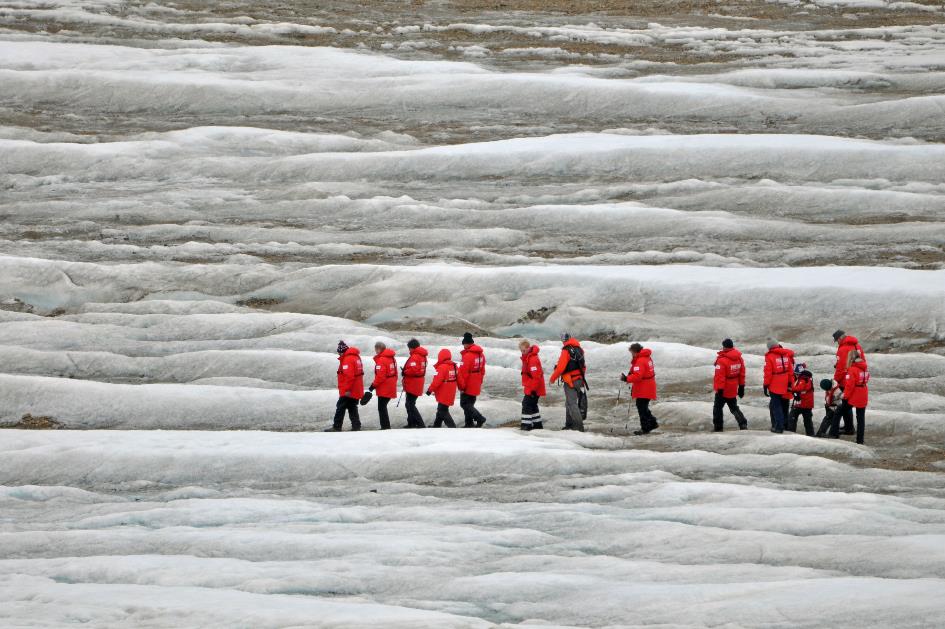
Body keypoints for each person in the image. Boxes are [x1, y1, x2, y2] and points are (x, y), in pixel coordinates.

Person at [549, 333, 587, 432]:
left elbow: (560, 368)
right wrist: (580, 378)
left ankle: (579, 427)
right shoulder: (579, 349)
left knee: (572, 403)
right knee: (569, 402)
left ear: (563, 340)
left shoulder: (566, 351)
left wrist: (552, 379)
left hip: (570, 380)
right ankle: (569, 424)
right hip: (579, 379)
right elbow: (583, 366)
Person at [326, 340, 364, 432]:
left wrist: (347, 389)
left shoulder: (347, 359)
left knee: (340, 406)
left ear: (341, 351)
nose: (339, 355)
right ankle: (356, 426)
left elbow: (349, 376)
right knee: (352, 406)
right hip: (356, 388)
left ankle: (337, 426)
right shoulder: (356, 357)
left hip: (349, 389)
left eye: (339, 353)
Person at [622, 343, 658, 436]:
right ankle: (652, 423)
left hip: (644, 388)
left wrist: (626, 378)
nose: (631, 354)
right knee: (643, 406)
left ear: (635, 351)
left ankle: (646, 428)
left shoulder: (640, 360)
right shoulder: (646, 357)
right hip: (648, 386)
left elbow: (638, 376)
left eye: (632, 352)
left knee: (641, 407)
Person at [834, 349, 869, 444]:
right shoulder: (864, 367)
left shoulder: (852, 369)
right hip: (863, 393)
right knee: (861, 419)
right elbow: (867, 378)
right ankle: (860, 441)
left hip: (855, 395)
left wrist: (844, 396)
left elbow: (849, 386)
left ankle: (833, 433)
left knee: (838, 411)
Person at [832, 330, 864, 435]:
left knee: (844, 404)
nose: (837, 342)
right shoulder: (857, 346)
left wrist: (835, 381)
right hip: (858, 379)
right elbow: (862, 361)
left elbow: (841, 368)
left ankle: (845, 429)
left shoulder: (843, 349)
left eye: (837, 340)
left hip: (846, 380)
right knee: (848, 405)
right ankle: (849, 427)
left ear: (840, 338)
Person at [712, 338, 748, 432]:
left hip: (723, 389)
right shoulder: (739, 358)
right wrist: (741, 387)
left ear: (724, 347)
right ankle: (743, 423)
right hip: (733, 388)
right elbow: (742, 373)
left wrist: (720, 389)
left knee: (717, 408)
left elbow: (720, 376)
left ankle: (718, 427)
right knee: (734, 407)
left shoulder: (722, 360)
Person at [456, 333, 488, 428]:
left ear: (466, 344)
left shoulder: (467, 356)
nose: (463, 346)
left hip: (469, 382)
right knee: (470, 404)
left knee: (464, 404)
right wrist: (480, 381)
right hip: (476, 381)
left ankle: (479, 418)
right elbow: (483, 370)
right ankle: (469, 424)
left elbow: (463, 373)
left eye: (464, 344)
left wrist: (461, 386)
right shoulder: (481, 355)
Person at [763, 338, 794, 434]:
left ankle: (779, 427)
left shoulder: (770, 356)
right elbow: (790, 370)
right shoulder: (786, 354)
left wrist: (765, 385)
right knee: (784, 405)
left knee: (776, 406)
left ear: (769, 347)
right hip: (785, 382)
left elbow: (768, 372)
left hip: (775, 384)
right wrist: (789, 382)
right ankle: (784, 425)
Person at [366, 342, 397, 430]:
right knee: (383, 406)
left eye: (376, 349)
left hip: (384, 387)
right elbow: (395, 373)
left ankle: (385, 427)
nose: (375, 351)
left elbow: (380, 376)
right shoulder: (392, 358)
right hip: (390, 385)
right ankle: (386, 426)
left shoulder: (382, 360)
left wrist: (372, 386)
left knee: (381, 407)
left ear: (379, 349)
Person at [427, 348, 459, 428]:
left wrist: (430, 390)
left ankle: (452, 427)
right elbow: (460, 378)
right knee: (441, 409)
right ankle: (436, 425)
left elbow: (436, 381)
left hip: (443, 392)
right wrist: (463, 388)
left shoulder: (442, 367)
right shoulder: (454, 367)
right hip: (451, 392)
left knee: (442, 410)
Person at [519, 339, 546, 431]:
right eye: (521, 351)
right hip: (530, 386)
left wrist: (533, 389)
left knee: (526, 404)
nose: (523, 352)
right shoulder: (528, 358)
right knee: (533, 405)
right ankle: (538, 425)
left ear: (528, 348)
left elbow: (536, 377)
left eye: (524, 350)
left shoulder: (532, 359)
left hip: (533, 387)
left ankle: (526, 425)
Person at [401, 338, 428, 428]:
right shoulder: (422, 356)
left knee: (410, 404)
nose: (409, 350)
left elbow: (413, 369)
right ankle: (411, 423)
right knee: (409, 403)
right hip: (417, 382)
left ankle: (420, 424)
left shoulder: (415, 356)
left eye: (409, 348)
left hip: (413, 383)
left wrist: (405, 372)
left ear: (412, 348)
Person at [787, 364, 815, 436]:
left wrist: (790, 389)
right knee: (807, 420)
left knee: (792, 417)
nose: (795, 375)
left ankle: (791, 433)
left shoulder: (803, 379)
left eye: (796, 374)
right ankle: (811, 434)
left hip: (802, 403)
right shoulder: (807, 378)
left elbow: (798, 388)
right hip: (807, 403)